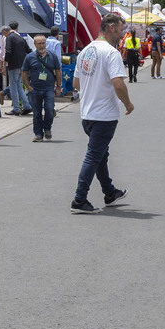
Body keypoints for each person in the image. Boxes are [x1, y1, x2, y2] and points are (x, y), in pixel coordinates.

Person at [70, 13, 134, 213]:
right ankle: (80, 199)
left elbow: (76, 83)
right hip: (104, 115)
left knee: (100, 155)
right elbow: (118, 83)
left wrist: (93, 90)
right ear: (111, 28)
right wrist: (128, 104)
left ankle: (109, 191)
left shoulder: (85, 51)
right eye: (122, 30)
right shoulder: (111, 52)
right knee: (93, 156)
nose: (123, 34)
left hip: (87, 113)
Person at [22, 35, 62, 141]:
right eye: (39, 43)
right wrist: (28, 86)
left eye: (43, 43)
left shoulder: (52, 56)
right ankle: (38, 134)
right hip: (35, 89)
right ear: (35, 44)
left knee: (49, 109)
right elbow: (24, 72)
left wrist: (58, 86)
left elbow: (58, 71)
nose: (42, 45)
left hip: (49, 88)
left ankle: (47, 128)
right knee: (37, 113)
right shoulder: (29, 57)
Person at [2, 26, 32, 115]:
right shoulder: (21, 38)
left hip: (13, 65)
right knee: (18, 85)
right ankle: (27, 106)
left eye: (3, 34)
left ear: (5, 31)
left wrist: (4, 65)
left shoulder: (9, 38)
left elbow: (8, 52)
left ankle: (16, 109)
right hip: (22, 65)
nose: (4, 36)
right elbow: (29, 50)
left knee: (13, 87)